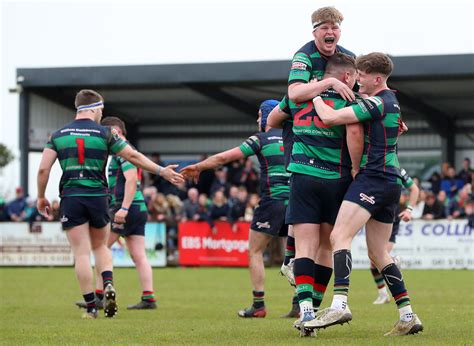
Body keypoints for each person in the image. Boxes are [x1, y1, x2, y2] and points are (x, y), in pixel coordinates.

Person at [36, 89, 184, 319]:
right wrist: (161, 171)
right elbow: (133, 157)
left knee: (82, 254)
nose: (100, 115)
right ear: (94, 108)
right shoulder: (105, 133)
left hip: (72, 197)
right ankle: (107, 284)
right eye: (101, 110)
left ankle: (91, 308)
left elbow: (44, 169)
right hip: (98, 198)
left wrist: (41, 196)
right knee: (101, 247)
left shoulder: (57, 135)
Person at [307, 53, 423, 336]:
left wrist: (316, 93)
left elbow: (330, 117)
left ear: (377, 78)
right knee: (378, 252)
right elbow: (381, 121)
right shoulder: (391, 101)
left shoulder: (377, 101)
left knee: (339, 237)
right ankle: (408, 315)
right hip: (391, 183)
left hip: (373, 178)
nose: (357, 79)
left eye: (361, 75)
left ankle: (339, 304)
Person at [268, 53, 364, 335]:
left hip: (303, 177)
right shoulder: (350, 101)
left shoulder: (298, 97)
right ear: (346, 77)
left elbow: (272, 121)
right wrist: (357, 168)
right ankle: (316, 312)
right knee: (326, 247)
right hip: (337, 179)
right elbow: (358, 135)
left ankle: (306, 310)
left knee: (304, 248)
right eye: (355, 76)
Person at [181, 100, 291, 318]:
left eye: (260, 115)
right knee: (299, 254)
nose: (258, 120)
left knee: (255, 251)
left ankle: (258, 305)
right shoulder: (294, 136)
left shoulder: (260, 139)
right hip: (298, 201)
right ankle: (300, 304)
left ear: (269, 116)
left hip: (272, 201)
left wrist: (199, 166)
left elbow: (224, 158)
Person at [76, 116, 157, 310]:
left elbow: (131, 180)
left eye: (107, 133)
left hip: (125, 208)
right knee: (139, 256)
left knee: (100, 249)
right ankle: (149, 298)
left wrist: (124, 208)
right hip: (138, 208)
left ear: (117, 132)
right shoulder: (123, 152)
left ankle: (99, 296)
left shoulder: (123, 152)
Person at [288, 6, 356, 105]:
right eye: (324, 28)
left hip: (339, 113)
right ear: (314, 33)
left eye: (334, 28)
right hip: (311, 114)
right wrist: (331, 82)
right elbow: (294, 94)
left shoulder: (350, 57)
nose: (330, 32)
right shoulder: (304, 56)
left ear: (340, 32)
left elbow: (363, 92)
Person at [370, 168, 419, 305]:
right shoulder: (369, 165)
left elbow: (414, 189)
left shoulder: (398, 170)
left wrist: (409, 210)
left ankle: (393, 261)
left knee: (378, 257)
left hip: (390, 217)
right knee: (373, 262)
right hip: (375, 215)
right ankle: (383, 294)